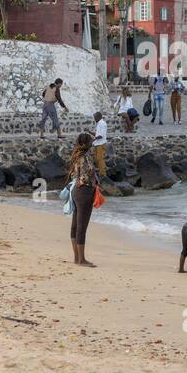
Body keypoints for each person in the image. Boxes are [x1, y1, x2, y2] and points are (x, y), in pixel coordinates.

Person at [67, 132, 101, 267]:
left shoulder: (76, 156)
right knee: (81, 227)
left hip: (76, 191)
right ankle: (82, 260)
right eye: (91, 141)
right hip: (84, 192)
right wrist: (95, 183)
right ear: (87, 144)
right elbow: (86, 177)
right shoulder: (85, 158)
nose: (92, 143)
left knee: (75, 225)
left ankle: (77, 258)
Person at [92, 111, 108, 178]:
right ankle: (100, 173)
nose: (94, 119)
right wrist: (90, 132)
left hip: (101, 144)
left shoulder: (102, 124)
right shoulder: (99, 123)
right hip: (97, 144)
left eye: (95, 117)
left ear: (98, 117)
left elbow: (101, 135)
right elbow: (97, 134)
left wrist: (93, 139)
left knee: (100, 159)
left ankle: (103, 174)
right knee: (97, 159)